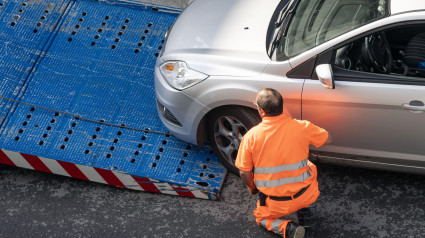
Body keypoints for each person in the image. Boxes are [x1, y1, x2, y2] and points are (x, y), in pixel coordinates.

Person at [235, 88, 332, 238]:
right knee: (308, 165)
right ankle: (304, 214)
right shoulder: (302, 127)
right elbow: (328, 138)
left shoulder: (251, 137)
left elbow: (244, 172)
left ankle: (289, 229)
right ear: (282, 106)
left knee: (260, 218)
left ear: (261, 111)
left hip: (275, 204)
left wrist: (252, 188)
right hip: (306, 194)